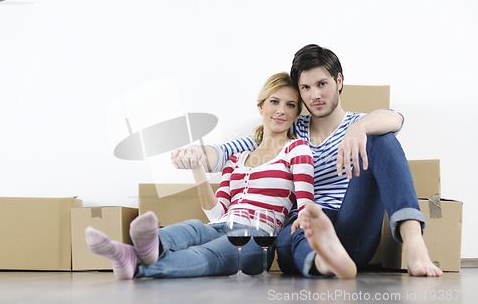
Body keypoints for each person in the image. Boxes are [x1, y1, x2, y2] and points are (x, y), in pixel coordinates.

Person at [171, 44, 443, 278]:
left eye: (322, 84)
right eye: (306, 88)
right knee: (299, 225)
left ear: (338, 81)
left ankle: (415, 245)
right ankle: (326, 263)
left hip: (351, 225)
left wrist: (361, 127)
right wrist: (195, 153)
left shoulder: (358, 125)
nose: (315, 95)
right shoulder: (288, 128)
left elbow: (395, 118)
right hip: (303, 230)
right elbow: (222, 154)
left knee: (382, 139)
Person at [85, 72, 322, 279]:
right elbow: (217, 212)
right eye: (275, 101)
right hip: (221, 224)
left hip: (258, 238)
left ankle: (134, 262)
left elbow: (305, 204)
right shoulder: (236, 158)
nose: (281, 110)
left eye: (291, 105)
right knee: (194, 227)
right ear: (261, 106)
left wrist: (307, 225)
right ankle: (148, 244)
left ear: (296, 113)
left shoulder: (297, 149)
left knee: (203, 254)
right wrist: (197, 169)